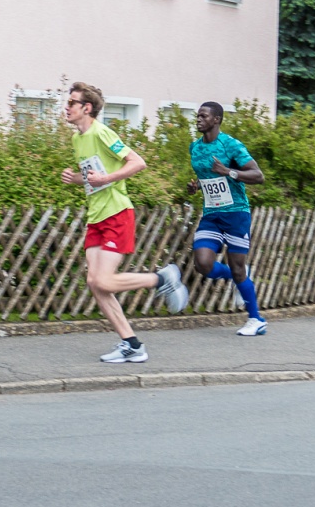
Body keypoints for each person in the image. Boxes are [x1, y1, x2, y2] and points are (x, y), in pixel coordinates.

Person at [60, 82, 189, 363]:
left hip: (117, 214)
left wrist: (104, 180)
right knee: (96, 284)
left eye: (72, 103)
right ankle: (132, 344)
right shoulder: (78, 139)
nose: (66, 107)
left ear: (86, 108)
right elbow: (96, 175)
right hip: (96, 216)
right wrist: (79, 180)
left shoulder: (101, 132)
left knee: (104, 280)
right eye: (67, 102)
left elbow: (137, 162)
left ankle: (161, 279)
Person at [187, 101, 268, 336]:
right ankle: (236, 278)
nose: (198, 120)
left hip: (236, 214)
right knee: (202, 263)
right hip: (212, 214)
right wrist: (197, 187)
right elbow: (208, 179)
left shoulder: (231, 145)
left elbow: (258, 175)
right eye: (198, 116)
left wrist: (229, 171)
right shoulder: (195, 147)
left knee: (238, 269)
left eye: (203, 116)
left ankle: (256, 319)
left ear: (216, 120)